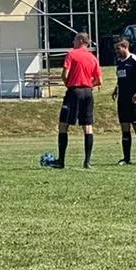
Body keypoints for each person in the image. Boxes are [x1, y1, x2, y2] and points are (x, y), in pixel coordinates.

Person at [55, 32, 102, 168]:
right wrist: (87, 84)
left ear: (81, 40)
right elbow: (99, 80)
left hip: (74, 91)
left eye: (75, 39)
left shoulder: (71, 54)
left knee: (63, 125)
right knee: (87, 126)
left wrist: (69, 84)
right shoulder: (93, 58)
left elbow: (65, 74)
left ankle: (61, 161)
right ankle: (87, 161)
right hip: (88, 92)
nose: (73, 42)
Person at [111, 37, 136, 165]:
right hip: (122, 99)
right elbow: (121, 78)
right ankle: (126, 158)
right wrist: (116, 89)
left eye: (118, 48)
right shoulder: (119, 61)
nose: (116, 51)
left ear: (125, 47)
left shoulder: (134, 59)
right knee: (124, 127)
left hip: (134, 99)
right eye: (115, 49)